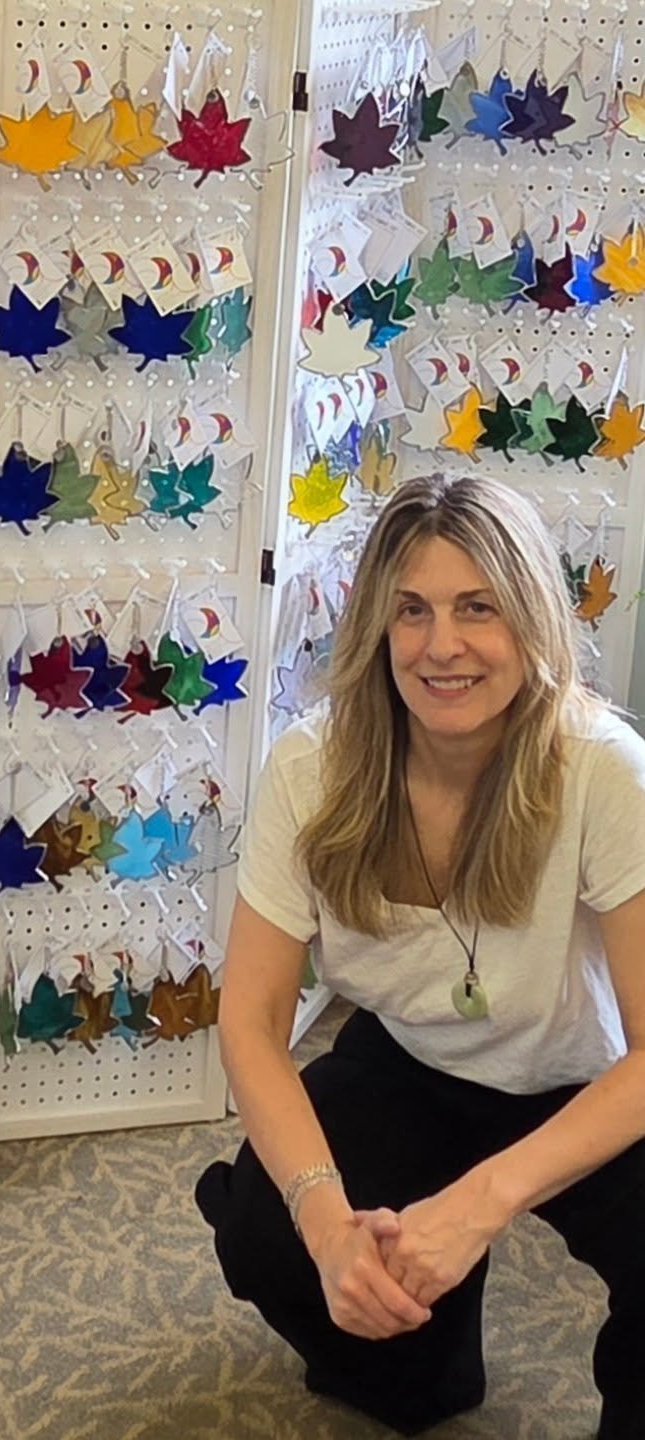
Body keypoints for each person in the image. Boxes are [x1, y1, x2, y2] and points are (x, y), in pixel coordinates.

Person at [194, 474, 645, 1438]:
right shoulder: (312, 767)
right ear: (374, 628)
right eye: (412, 610)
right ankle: (429, 1364)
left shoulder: (602, 768)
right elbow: (252, 1022)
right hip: (414, 1057)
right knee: (271, 1240)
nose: (442, 645)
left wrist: (480, 1204)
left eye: (477, 607)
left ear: (529, 618)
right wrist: (321, 1218)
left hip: (584, 1081)